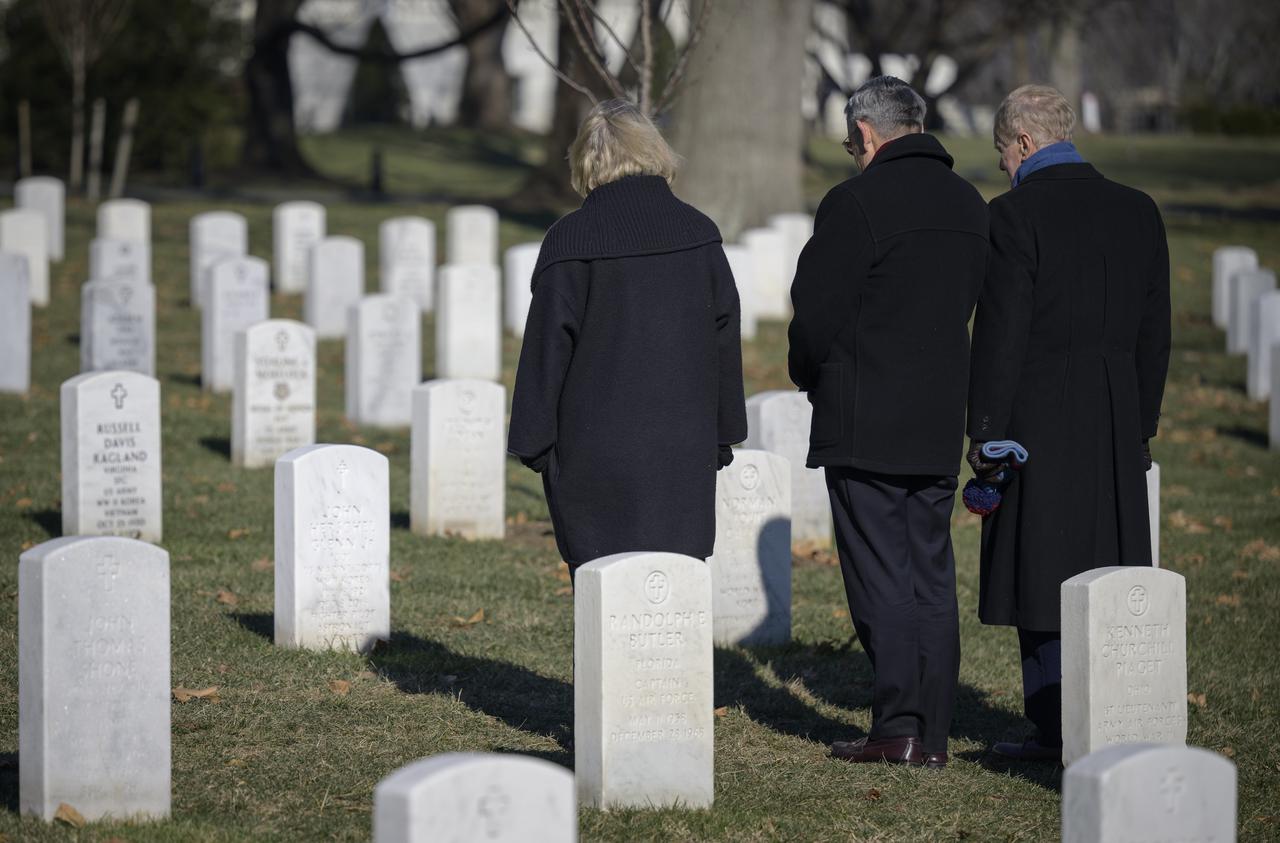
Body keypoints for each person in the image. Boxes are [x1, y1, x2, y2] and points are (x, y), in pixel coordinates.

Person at [787, 76, 989, 769]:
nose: (851, 153)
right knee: (929, 573)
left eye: (851, 143)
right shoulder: (969, 203)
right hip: (937, 417)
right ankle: (931, 731)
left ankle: (897, 725)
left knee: (880, 574)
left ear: (867, 135)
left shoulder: (855, 201)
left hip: (865, 413)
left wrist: (807, 372)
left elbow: (815, 313)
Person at [967, 85, 1171, 762]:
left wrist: (986, 432)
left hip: (1038, 414)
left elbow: (1001, 337)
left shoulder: (1014, 216)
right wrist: (1137, 423)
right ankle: (1110, 707)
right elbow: (1155, 333)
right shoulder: (1139, 211)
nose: (1001, 166)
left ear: (1024, 142)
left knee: (1041, 569)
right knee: (1103, 565)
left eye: (1003, 151)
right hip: (1114, 412)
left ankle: (1052, 721)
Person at [508, 99, 748, 579]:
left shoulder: (570, 240)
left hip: (594, 455)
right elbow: (725, 337)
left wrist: (534, 444)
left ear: (587, 161)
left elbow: (545, 352)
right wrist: (723, 435)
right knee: (672, 604)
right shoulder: (698, 235)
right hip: (683, 454)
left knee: (607, 609)